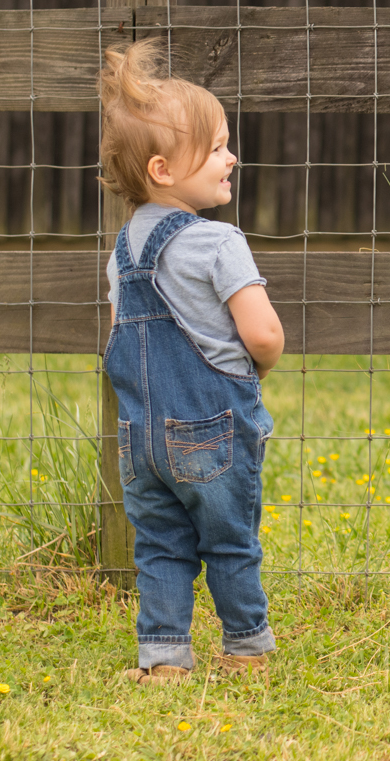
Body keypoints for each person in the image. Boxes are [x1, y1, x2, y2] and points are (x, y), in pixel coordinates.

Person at [99, 39, 286, 684]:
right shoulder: (219, 242)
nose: (231, 157)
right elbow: (261, 331)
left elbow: (126, 337)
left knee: (160, 546)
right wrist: (259, 366)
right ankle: (246, 648)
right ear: (162, 168)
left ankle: (164, 657)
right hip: (211, 429)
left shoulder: (124, 250)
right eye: (215, 148)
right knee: (230, 539)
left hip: (142, 436)